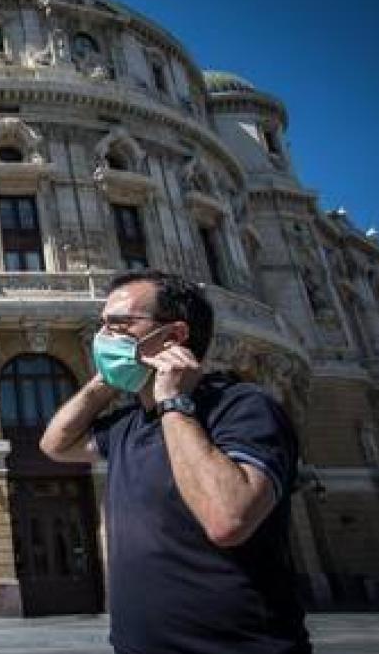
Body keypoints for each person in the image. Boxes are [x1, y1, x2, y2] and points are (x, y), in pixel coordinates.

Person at [41, 269, 311, 654]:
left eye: (120, 325)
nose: (103, 337)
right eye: (102, 326)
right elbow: (55, 445)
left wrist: (173, 402)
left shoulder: (242, 406)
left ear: (175, 336)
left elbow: (227, 519)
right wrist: (106, 380)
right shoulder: (127, 424)